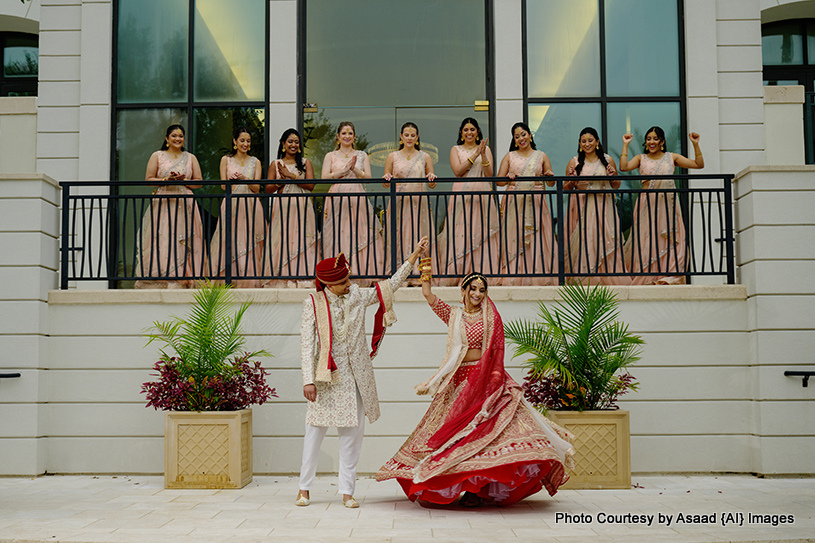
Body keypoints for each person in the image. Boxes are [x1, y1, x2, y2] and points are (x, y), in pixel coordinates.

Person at [376, 265, 575, 507]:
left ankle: (477, 489)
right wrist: (424, 266)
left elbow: (499, 348)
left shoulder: (490, 317)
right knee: (451, 435)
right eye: (473, 289)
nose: (478, 294)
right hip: (459, 382)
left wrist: (494, 377)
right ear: (463, 290)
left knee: (485, 434)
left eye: (482, 290)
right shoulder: (454, 315)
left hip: (487, 378)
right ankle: (448, 483)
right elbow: (428, 295)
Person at [296, 236, 430, 509]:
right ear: (328, 284)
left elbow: (389, 286)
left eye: (348, 280)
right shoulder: (314, 302)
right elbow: (306, 343)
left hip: (356, 377)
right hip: (325, 377)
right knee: (314, 433)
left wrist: (413, 256)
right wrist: (307, 380)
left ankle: (347, 491)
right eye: (343, 282)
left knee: (352, 436)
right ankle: (304, 489)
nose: (349, 285)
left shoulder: (356, 295)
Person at [619, 128, 704, 284]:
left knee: (667, 238)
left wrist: (695, 144)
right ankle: (647, 275)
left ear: (662, 142)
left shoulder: (671, 157)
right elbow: (624, 167)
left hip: (667, 205)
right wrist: (625, 145)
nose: (652, 142)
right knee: (646, 238)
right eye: (649, 139)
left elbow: (698, 164)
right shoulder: (641, 158)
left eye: (655, 139)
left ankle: (666, 275)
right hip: (647, 204)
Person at [136, 124, 204, 289]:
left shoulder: (190, 157)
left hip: (184, 203)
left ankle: (184, 277)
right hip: (164, 203)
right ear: (167, 138)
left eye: (181, 136)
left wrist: (184, 181)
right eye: (174, 135)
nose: (178, 139)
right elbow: (149, 179)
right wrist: (166, 181)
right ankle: (163, 275)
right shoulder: (157, 156)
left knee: (184, 239)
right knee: (163, 237)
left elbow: (199, 183)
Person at [437, 118, 500, 285]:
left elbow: (489, 174)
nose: (469, 132)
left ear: (478, 132)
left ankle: (481, 272)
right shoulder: (455, 149)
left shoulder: (486, 149)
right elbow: (458, 170)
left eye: (472, 129)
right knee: (461, 232)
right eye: (466, 130)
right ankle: (458, 273)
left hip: (482, 196)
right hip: (462, 196)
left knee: (482, 232)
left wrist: (484, 154)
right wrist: (475, 154)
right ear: (461, 132)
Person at [321, 121, 385, 287]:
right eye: (344, 133)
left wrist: (354, 169)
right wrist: (342, 171)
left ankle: (360, 272)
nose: (347, 136)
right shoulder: (331, 155)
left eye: (350, 133)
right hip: (337, 197)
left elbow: (369, 178)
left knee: (360, 231)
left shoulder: (362, 154)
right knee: (340, 232)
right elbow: (324, 177)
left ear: (354, 137)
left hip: (357, 196)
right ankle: (339, 272)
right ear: (338, 137)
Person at [563, 127, 628, 285]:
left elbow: (616, 185)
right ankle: (588, 276)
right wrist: (572, 180)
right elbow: (565, 188)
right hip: (583, 207)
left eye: (590, 140)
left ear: (597, 142)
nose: (587, 144)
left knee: (607, 238)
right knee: (587, 239)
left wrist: (613, 176)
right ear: (579, 143)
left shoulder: (607, 160)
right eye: (583, 141)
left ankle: (609, 275)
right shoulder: (575, 161)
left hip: (605, 206)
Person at [495, 122, 556, 286]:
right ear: (514, 141)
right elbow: (499, 181)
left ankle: (537, 274)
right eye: (517, 136)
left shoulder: (541, 156)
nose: (521, 138)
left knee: (536, 236)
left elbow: (550, 183)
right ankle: (514, 274)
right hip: (514, 202)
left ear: (530, 135)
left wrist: (549, 175)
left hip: (535, 201)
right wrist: (507, 178)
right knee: (514, 236)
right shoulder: (510, 156)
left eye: (523, 134)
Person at [209, 126, 264, 288]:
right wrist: (232, 181)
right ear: (235, 141)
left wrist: (243, 177)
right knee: (230, 238)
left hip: (250, 205)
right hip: (232, 203)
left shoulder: (256, 162)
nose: (245, 144)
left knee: (249, 239)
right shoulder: (226, 160)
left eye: (248, 141)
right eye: (242, 140)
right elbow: (223, 187)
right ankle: (229, 277)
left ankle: (249, 278)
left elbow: (256, 188)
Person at [382, 122, 437, 283]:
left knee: (417, 232)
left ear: (417, 137)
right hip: (399, 201)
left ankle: (419, 272)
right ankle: (400, 272)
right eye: (406, 135)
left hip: (418, 202)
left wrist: (431, 177)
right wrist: (387, 178)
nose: (409, 138)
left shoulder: (425, 156)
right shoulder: (392, 156)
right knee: (399, 232)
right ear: (401, 136)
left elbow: (432, 184)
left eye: (413, 135)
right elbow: (385, 183)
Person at [264, 128, 317, 288]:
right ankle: (281, 276)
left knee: (301, 235)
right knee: (282, 236)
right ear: (283, 144)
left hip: (301, 205)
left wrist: (291, 175)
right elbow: (267, 189)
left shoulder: (305, 163)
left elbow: (311, 185)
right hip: (283, 205)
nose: (293, 145)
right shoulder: (276, 164)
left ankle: (302, 276)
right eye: (290, 141)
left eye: (296, 142)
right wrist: (282, 180)